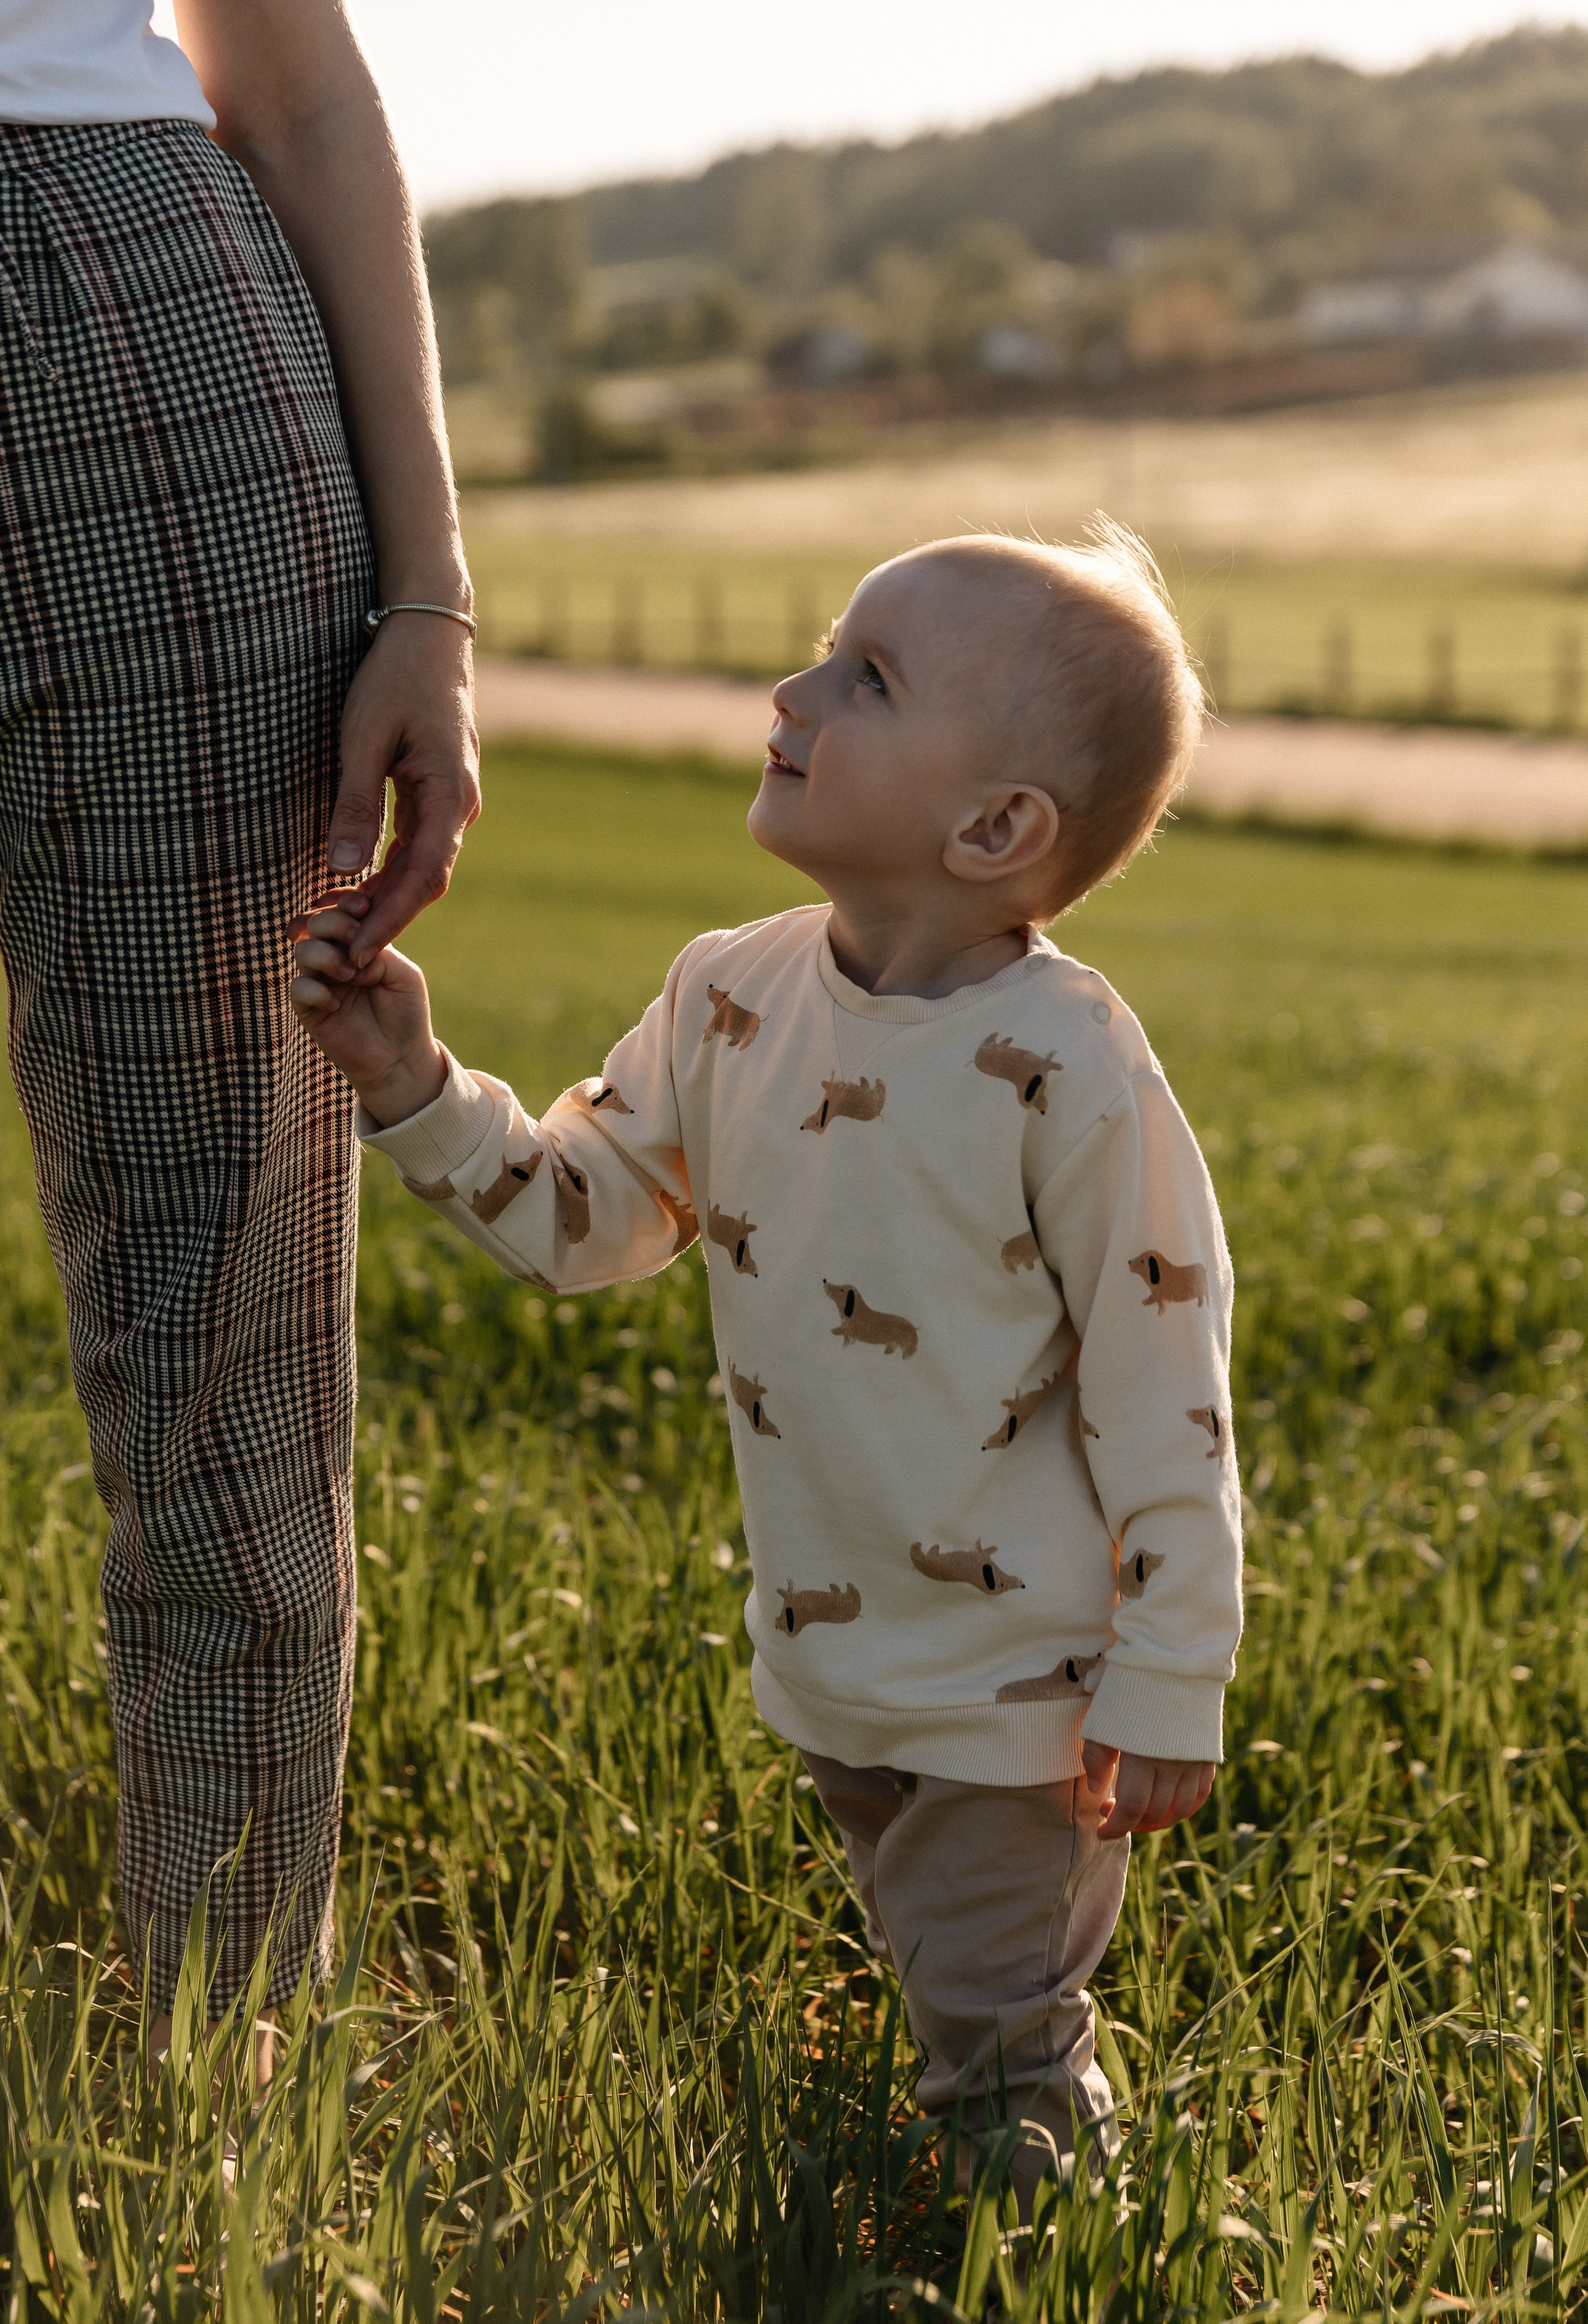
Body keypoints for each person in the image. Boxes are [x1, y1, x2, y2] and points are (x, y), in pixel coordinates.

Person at [290, 529, 1242, 2194]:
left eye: (866, 679)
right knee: (933, 1964)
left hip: (1023, 1682)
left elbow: (1167, 1377)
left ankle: (1047, 2267)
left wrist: (1169, 1673)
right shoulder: (730, 996)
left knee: (999, 2030)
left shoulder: (1065, 1065)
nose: (793, 693)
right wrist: (413, 1082)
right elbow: (584, 1219)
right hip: (830, 1652)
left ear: (995, 827)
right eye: (821, 650)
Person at [0, 0, 479, 2065]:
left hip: (146, 355)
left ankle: (216, 2101)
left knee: (226, 1349)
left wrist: (429, 590)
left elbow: (288, 68)